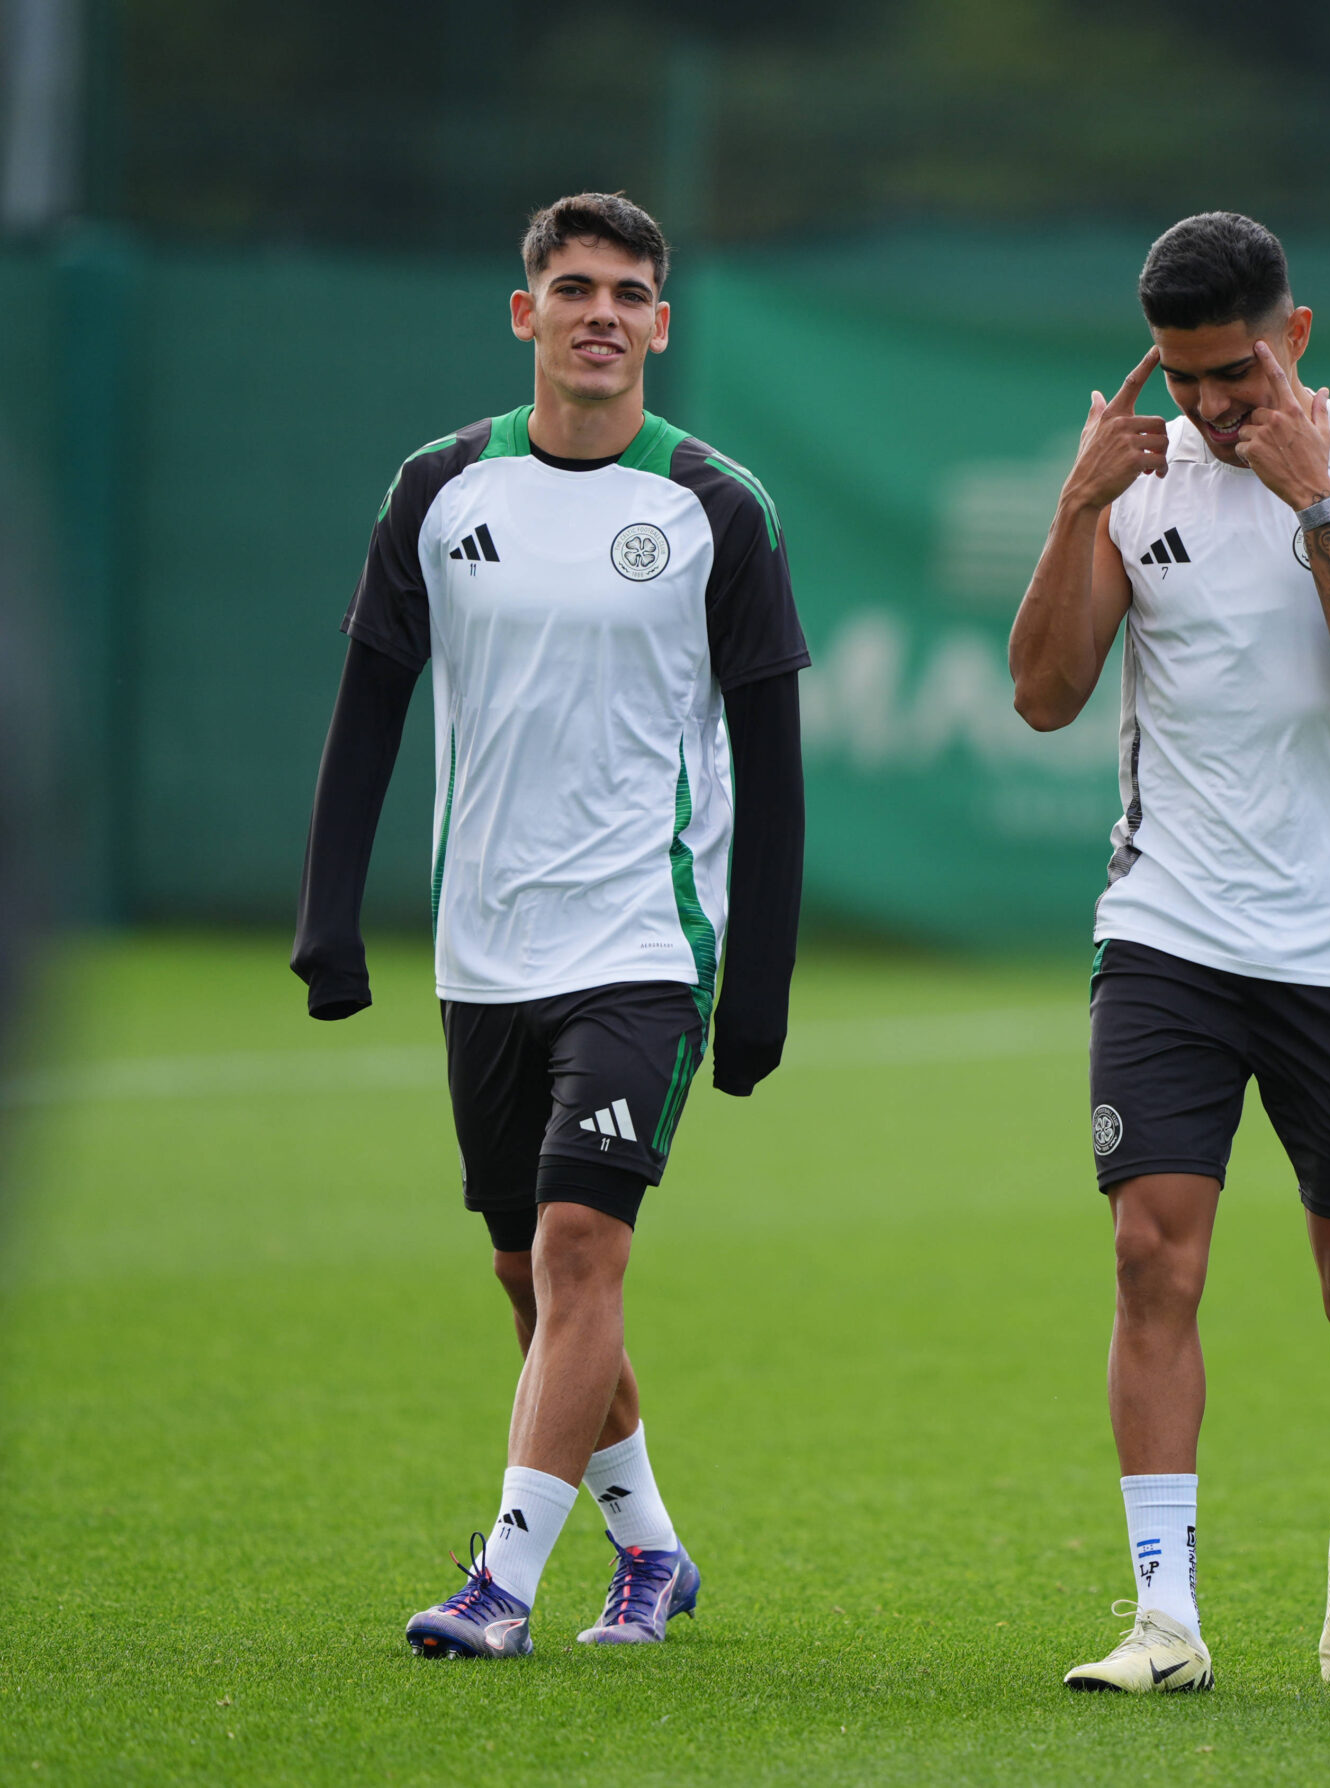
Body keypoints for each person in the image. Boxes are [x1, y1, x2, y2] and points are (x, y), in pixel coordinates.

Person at [291, 192, 809, 1658]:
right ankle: (648, 1550)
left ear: (661, 323)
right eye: (572, 286)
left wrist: (756, 986)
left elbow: (773, 775)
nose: (601, 310)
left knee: (584, 1249)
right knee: (531, 1280)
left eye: (628, 290)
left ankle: (503, 1585)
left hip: (644, 946)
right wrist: (333, 921)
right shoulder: (438, 491)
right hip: (486, 951)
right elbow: (369, 714)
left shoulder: (716, 505)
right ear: (526, 313)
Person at [1009, 212, 1330, 1692]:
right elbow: (1042, 694)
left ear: (1300, 335)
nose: (1208, 407)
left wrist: (1314, 499)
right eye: (1181, 376)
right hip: (1169, 933)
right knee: (1151, 1256)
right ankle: (1166, 1616)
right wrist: (1075, 510)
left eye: (1236, 372)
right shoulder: (1137, 483)